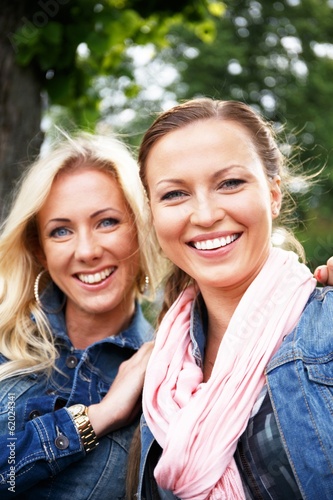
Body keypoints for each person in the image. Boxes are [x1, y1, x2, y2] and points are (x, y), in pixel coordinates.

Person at [135, 98, 333, 499]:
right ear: (153, 214)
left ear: (274, 194)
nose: (205, 215)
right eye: (174, 194)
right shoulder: (158, 375)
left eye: (230, 183)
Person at [0, 131, 163, 499]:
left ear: (140, 230)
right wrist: (99, 418)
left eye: (107, 222)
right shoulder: (3, 339)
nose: (87, 250)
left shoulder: (167, 374)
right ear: (40, 250)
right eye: (61, 231)